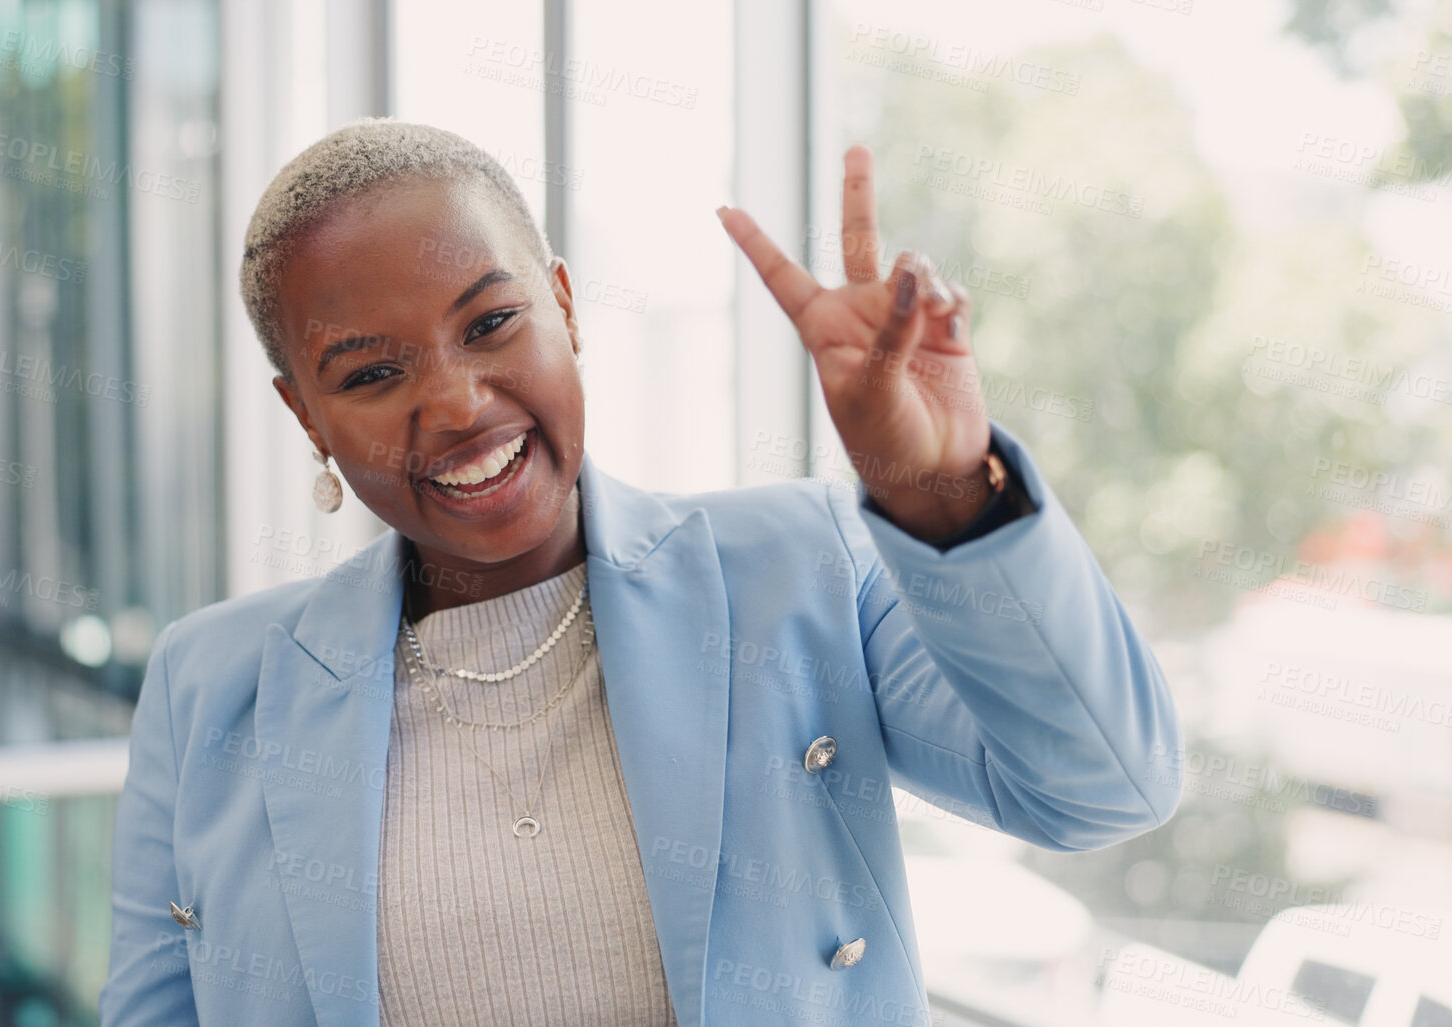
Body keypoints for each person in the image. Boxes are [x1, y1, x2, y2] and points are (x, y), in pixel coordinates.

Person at [100, 117, 1182, 1027]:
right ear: (307, 416)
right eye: (374, 372)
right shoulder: (213, 682)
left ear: (565, 307)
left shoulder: (797, 569)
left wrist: (944, 491)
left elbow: (1103, 787)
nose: (461, 402)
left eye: (492, 323)